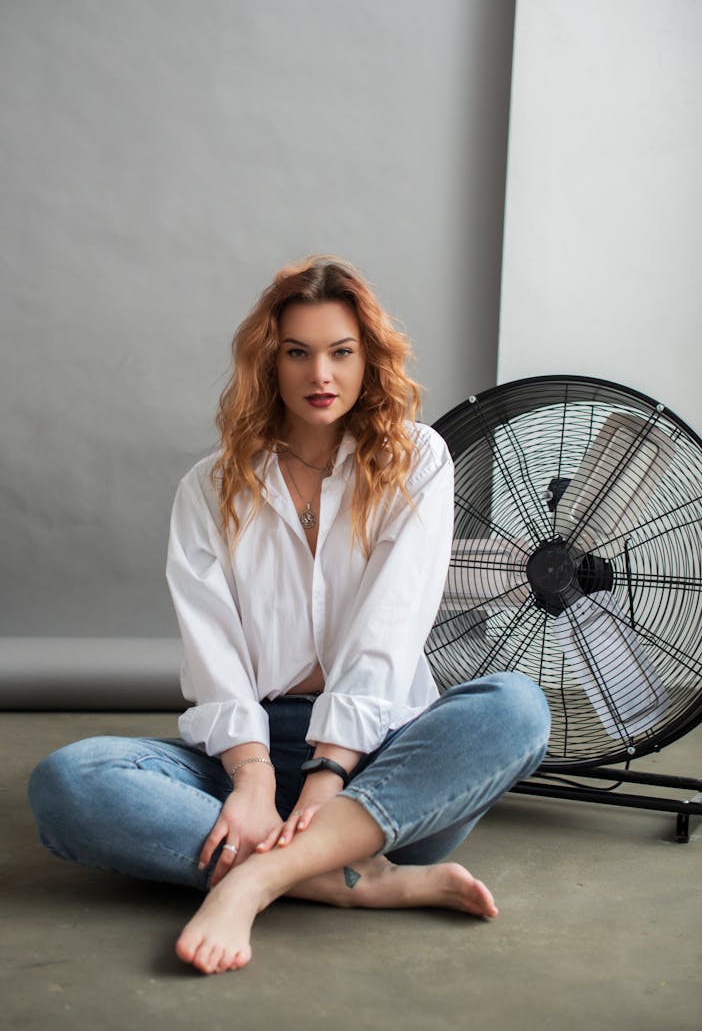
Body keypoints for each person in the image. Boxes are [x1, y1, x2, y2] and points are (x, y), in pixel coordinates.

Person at [29, 255, 550, 975]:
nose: (321, 376)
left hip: (386, 763)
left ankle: (259, 878)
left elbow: (388, 630)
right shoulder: (209, 489)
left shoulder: (416, 461)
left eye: (341, 352)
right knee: (69, 781)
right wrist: (252, 782)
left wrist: (329, 776)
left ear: (369, 360)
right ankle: (352, 879)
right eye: (297, 354)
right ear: (268, 365)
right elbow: (212, 651)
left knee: (516, 707)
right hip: (253, 750)